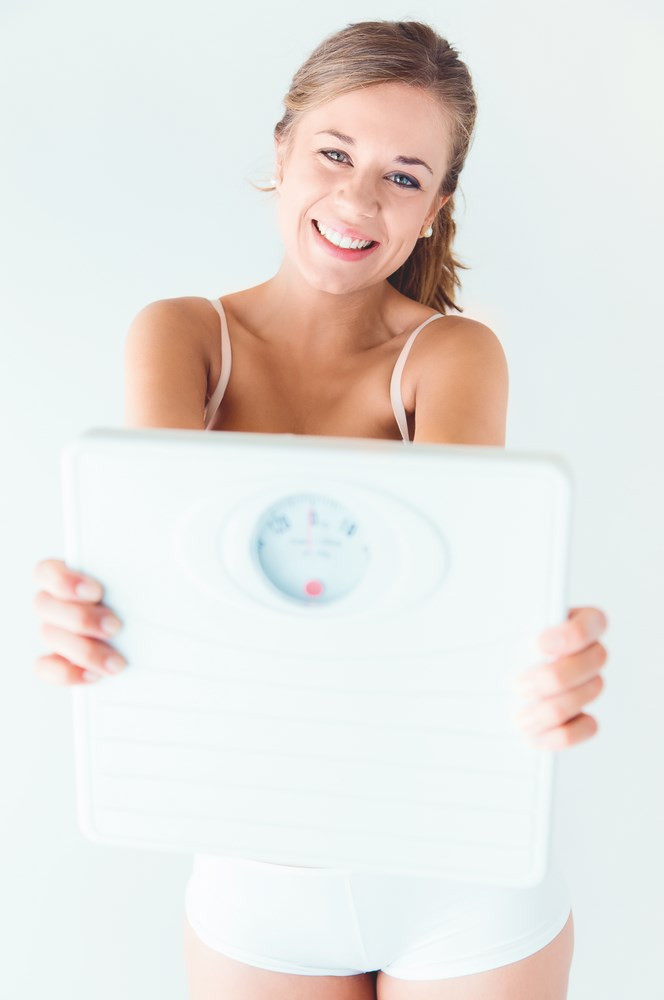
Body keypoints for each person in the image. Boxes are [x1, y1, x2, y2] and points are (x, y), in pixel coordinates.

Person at [32, 19, 609, 1000]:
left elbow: (457, 617)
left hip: (455, 863)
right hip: (256, 868)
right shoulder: (183, 337)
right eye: (335, 154)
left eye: (403, 175)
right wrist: (95, 615)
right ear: (282, 151)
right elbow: (163, 597)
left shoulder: (451, 354)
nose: (357, 199)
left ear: (434, 208)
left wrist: (532, 660)